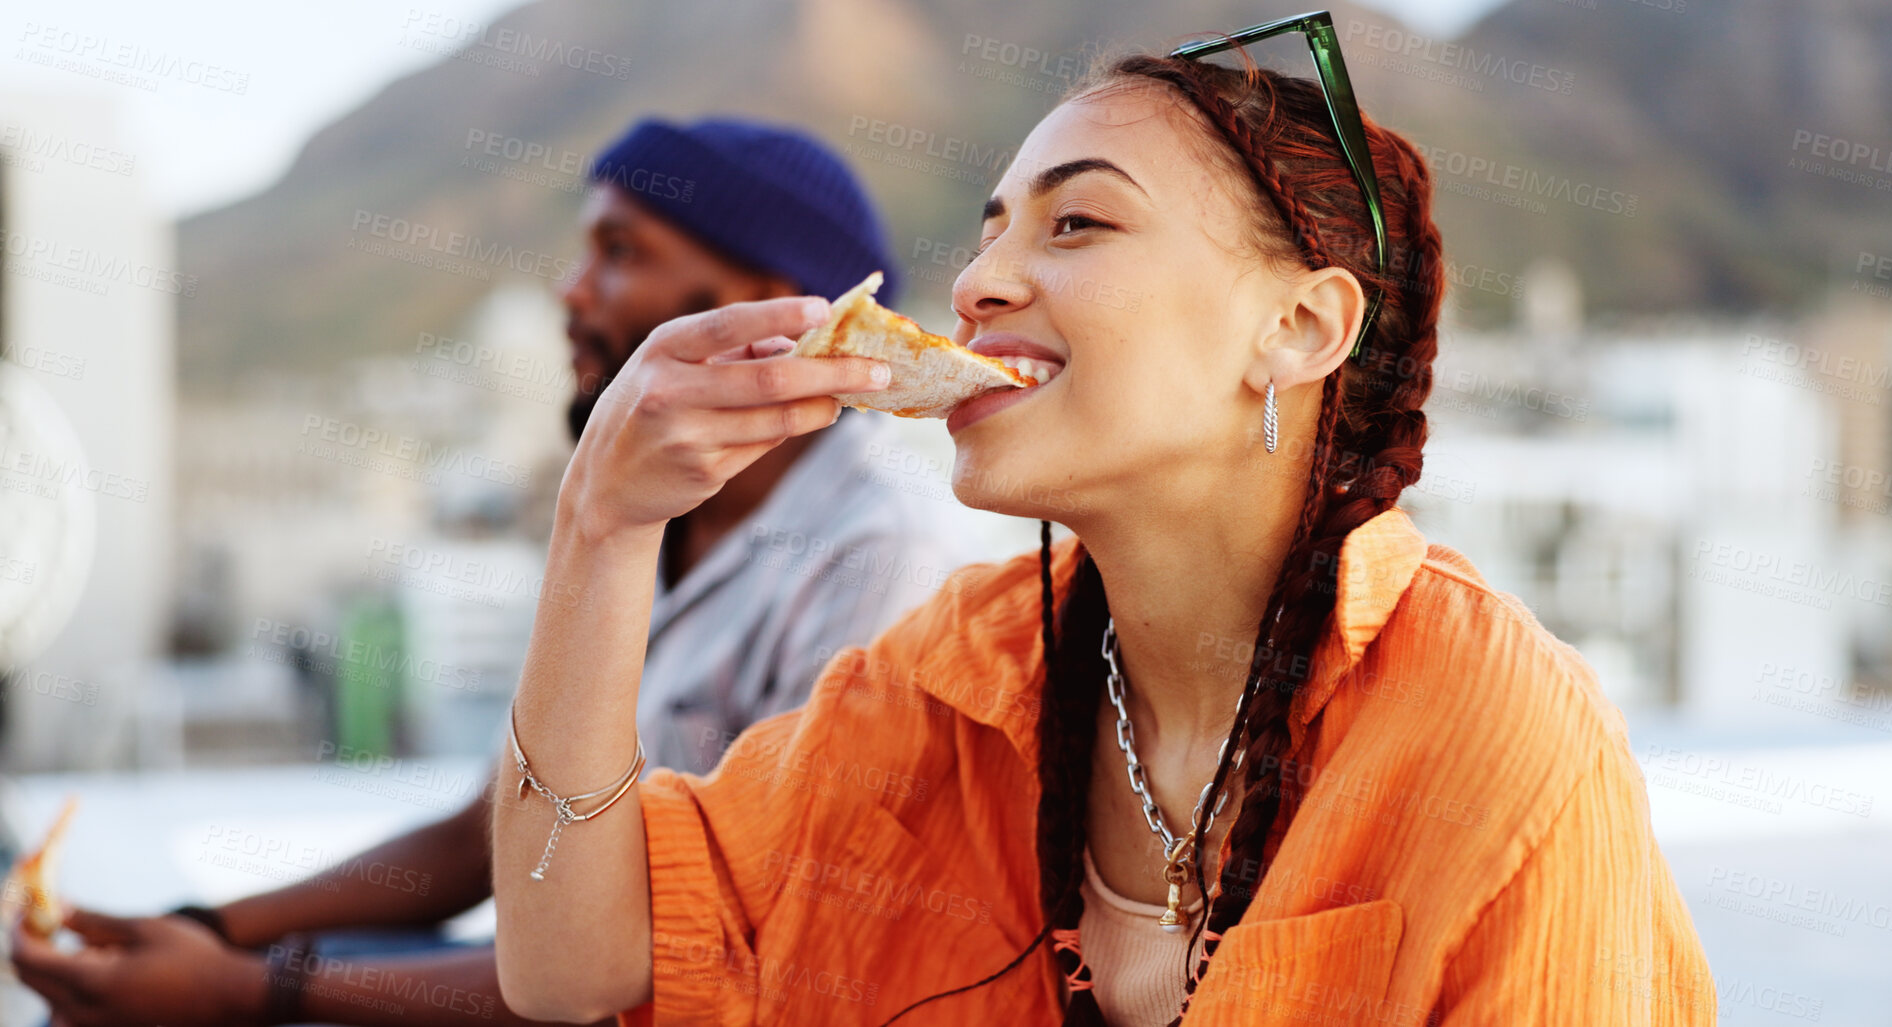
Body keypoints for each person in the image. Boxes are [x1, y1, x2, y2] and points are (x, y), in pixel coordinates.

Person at [486, 34, 1718, 1027]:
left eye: (1076, 224)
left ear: (1296, 328)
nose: (975, 285)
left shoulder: (1491, 727)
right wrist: (602, 523)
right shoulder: (949, 681)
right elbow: (573, 967)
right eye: (990, 229)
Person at [10, 118, 983, 1026]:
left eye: (620, 251)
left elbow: (684, 959)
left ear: (774, 312)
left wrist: (249, 988)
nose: (571, 289)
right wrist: (211, 927)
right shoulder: (656, 523)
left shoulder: (879, 564)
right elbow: (496, 827)